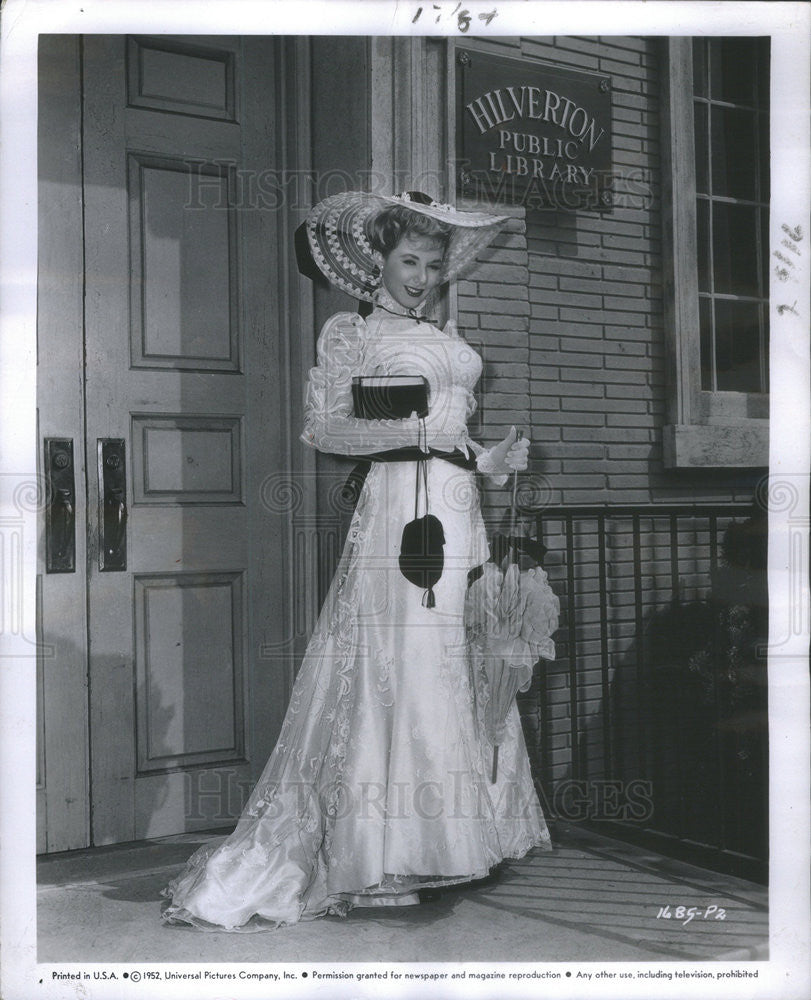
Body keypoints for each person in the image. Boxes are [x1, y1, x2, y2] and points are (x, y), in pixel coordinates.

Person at [161, 191, 551, 931]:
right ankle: (381, 855)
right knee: (396, 660)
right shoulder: (354, 331)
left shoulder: (443, 328)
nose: (423, 276)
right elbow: (327, 428)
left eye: (435, 265)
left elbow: (454, 434)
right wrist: (423, 438)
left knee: (456, 655)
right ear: (379, 260)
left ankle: (450, 839)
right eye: (410, 261)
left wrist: (491, 459)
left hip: (457, 505)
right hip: (400, 511)